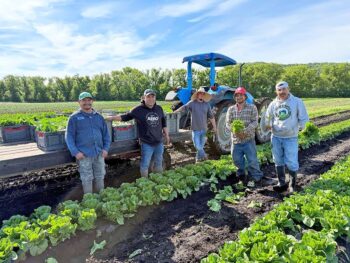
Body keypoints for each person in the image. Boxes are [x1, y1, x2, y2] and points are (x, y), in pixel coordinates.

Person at [106, 89, 170, 177]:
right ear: (144, 98)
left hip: (159, 142)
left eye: (153, 96)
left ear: (155, 98)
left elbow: (163, 122)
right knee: (145, 164)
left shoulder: (159, 108)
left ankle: (159, 179)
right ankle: (145, 182)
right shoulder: (138, 110)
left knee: (159, 162)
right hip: (146, 143)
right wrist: (111, 118)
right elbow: (125, 117)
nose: (151, 99)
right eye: (148, 97)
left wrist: (166, 135)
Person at [263, 81, 309, 192]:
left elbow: (303, 117)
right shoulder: (273, 104)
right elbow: (268, 117)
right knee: (278, 160)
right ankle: (281, 182)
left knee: (291, 160)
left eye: (284, 89)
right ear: (276, 91)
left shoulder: (297, 101)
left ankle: (292, 184)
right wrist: (268, 125)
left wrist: (304, 128)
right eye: (279, 90)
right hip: (276, 137)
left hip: (291, 137)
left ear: (288, 89)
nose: (282, 92)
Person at [65, 92, 111, 194]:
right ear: (79, 102)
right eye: (84, 100)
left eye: (89, 100)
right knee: (87, 178)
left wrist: (105, 149)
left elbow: (106, 135)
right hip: (84, 154)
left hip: (99, 153)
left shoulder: (99, 117)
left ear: (92, 101)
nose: (87, 102)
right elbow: (69, 137)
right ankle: (89, 201)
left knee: (100, 176)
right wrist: (76, 152)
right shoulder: (74, 118)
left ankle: (101, 198)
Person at [226, 87, 263, 187]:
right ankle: (241, 175)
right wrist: (235, 131)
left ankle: (256, 177)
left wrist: (245, 131)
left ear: (245, 96)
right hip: (236, 140)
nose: (239, 97)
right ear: (235, 97)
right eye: (237, 95)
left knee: (252, 159)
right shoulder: (231, 109)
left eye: (241, 95)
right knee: (236, 159)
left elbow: (255, 122)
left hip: (248, 139)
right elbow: (228, 123)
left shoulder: (252, 107)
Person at [174, 86, 217, 163]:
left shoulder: (207, 105)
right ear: (197, 94)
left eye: (202, 93)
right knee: (198, 146)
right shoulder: (192, 103)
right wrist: (174, 112)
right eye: (199, 93)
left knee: (200, 146)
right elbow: (183, 108)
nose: (201, 95)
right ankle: (205, 156)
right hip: (195, 130)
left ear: (204, 95)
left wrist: (215, 127)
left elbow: (211, 117)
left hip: (204, 130)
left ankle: (198, 160)